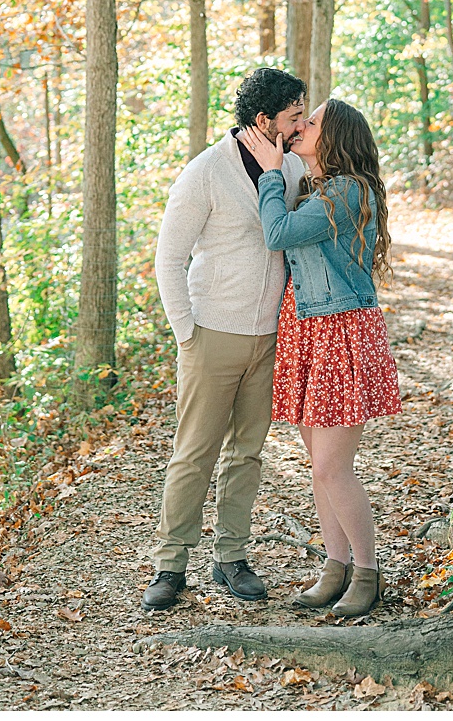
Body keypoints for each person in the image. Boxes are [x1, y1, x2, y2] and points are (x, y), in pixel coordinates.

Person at [145, 68, 307, 611]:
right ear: (265, 121)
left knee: (247, 453)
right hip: (211, 334)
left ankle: (232, 558)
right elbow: (169, 257)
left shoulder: (289, 168)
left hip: (270, 338)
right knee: (194, 454)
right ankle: (171, 564)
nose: (302, 124)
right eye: (293, 116)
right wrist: (187, 333)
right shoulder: (206, 171)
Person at [238, 97, 401, 618]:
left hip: (339, 331)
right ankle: (335, 567)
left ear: (337, 139)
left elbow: (277, 233)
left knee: (333, 467)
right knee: (320, 465)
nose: (302, 128)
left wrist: (268, 174)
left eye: (313, 123)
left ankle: (368, 573)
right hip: (309, 329)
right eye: (301, 120)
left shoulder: (349, 191)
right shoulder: (319, 189)